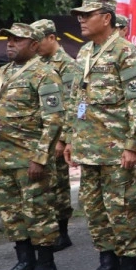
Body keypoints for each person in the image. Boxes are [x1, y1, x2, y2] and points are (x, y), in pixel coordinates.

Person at [63, 0, 136, 270]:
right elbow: (76, 100)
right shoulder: (85, 52)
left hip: (116, 150)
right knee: (96, 210)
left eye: (88, 15)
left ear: (107, 18)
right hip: (89, 147)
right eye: (79, 16)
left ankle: (129, 269)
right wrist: (70, 139)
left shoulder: (126, 52)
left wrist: (133, 146)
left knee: (123, 209)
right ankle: (107, 263)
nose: (81, 20)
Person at [0, 23, 65, 270]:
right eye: (9, 39)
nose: (10, 43)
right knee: (12, 212)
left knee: (37, 211)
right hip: (4, 158)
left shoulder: (44, 74)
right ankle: (24, 260)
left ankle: (45, 264)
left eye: (18, 39)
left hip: (29, 159)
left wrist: (40, 157)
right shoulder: (2, 73)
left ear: (34, 45)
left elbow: (54, 120)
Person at [31, 20, 80, 249]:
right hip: (38, 134)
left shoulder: (67, 66)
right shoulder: (36, 63)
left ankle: (62, 231)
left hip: (57, 132)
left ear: (52, 38)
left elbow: (71, 104)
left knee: (59, 184)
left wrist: (63, 139)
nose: (35, 46)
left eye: (38, 41)